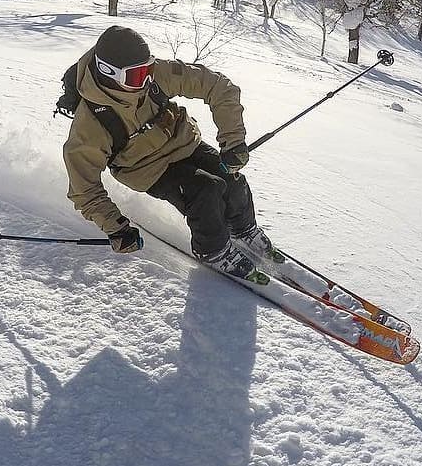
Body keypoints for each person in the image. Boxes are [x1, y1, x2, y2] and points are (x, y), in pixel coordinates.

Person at [62, 25, 274, 281]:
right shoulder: (90, 125)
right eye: (136, 76)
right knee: (206, 190)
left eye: (148, 70)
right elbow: (84, 189)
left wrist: (233, 141)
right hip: (145, 168)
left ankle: (243, 229)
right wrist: (116, 228)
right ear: (110, 74)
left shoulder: (153, 77)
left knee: (232, 179)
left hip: (182, 141)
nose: (147, 80)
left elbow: (217, 86)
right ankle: (213, 250)